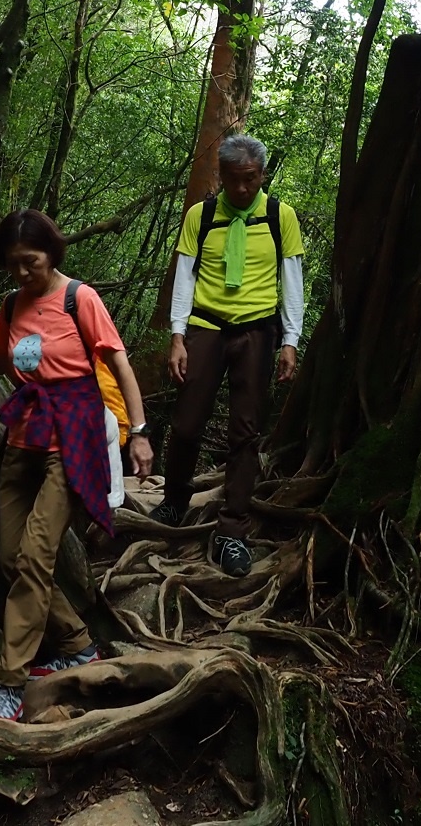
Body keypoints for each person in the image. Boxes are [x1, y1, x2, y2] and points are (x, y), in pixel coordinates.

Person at [0, 208, 153, 722]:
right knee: (11, 557)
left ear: (52, 253)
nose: (21, 273)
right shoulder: (12, 304)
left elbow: (119, 362)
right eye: (12, 264)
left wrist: (141, 434)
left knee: (37, 555)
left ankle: (11, 682)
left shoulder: (78, 298)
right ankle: (78, 643)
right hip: (22, 436)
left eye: (30, 262)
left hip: (73, 436)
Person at [155, 133, 304, 578]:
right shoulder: (201, 217)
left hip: (257, 330)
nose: (243, 189)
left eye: (251, 180)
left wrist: (291, 340)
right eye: (234, 181)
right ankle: (174, 501)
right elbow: (185, 275)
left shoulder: (281, 217)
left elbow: (291, 281)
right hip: (205, 326)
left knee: (245, 432)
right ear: (220, 177)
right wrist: (178, 336)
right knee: (185, 424)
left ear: (261, 175)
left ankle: (232, 532)